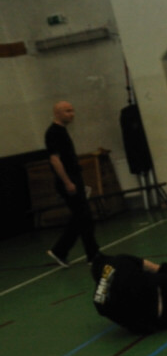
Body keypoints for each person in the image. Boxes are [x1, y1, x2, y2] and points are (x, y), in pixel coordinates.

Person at [45, 101, 100, 267]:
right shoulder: (53, 133)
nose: (72, 114)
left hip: (74, 179)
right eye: (67, 111)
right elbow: (55, 160)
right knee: (84, 217)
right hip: (67, 180)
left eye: (72, 110)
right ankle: (92, 255)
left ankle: (60, 251)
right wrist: (68, 182)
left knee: (80, 218)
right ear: (57, 113)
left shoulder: (62, 131)